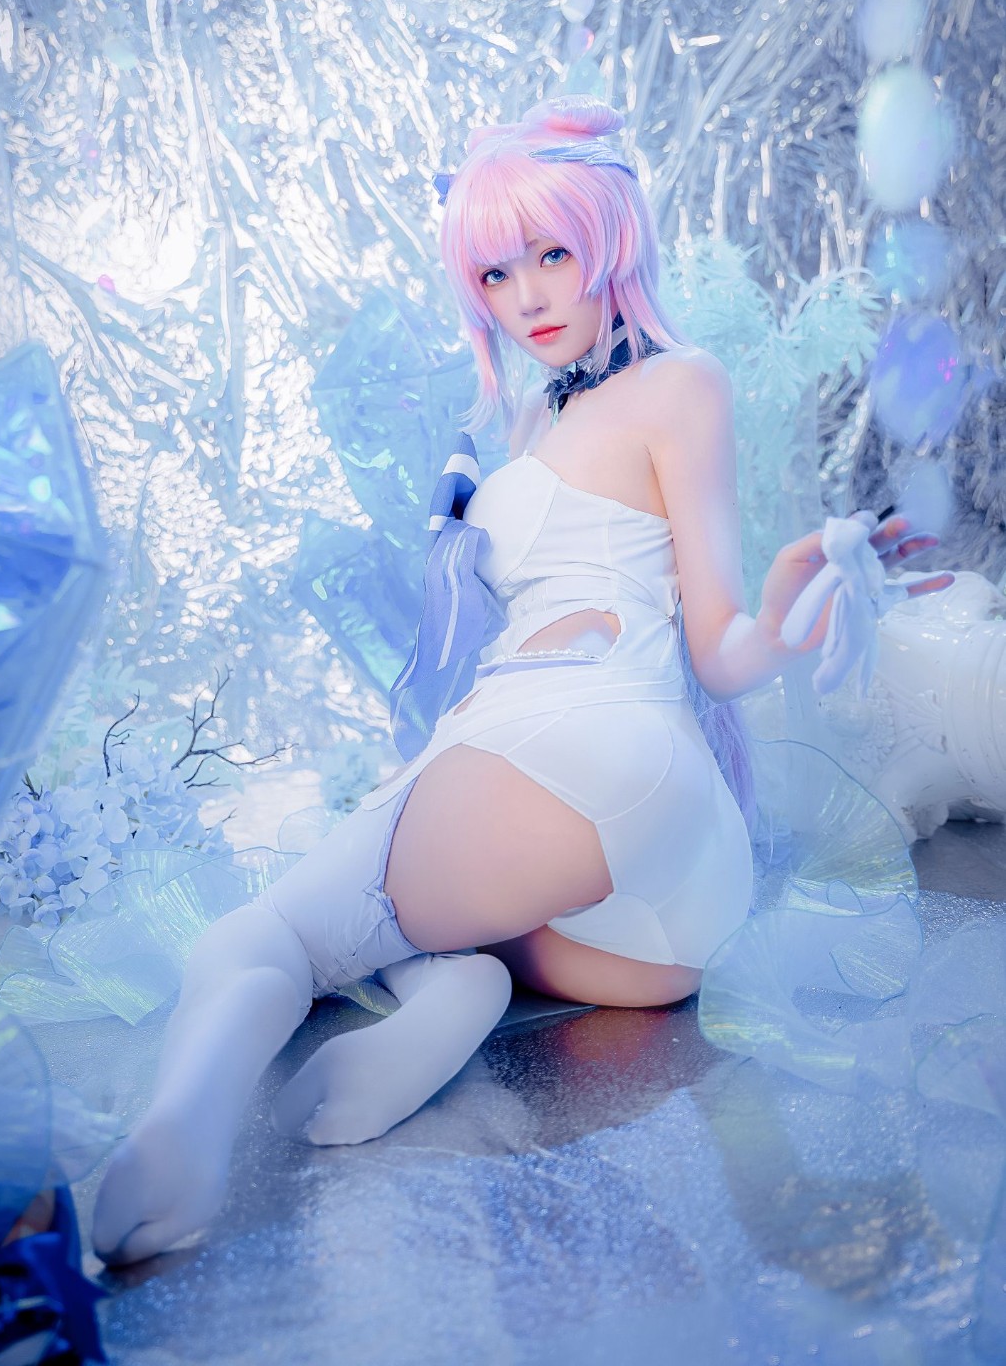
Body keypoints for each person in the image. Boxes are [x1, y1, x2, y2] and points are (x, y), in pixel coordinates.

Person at [91, 96, 952, 1266]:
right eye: (496, 273)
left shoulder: (672, 383)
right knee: (426, 920)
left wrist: (793, 598)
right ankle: (460, 996)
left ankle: (178, 1142)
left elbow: (722, 647)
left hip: (569, 753)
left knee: (268, 935)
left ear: (609, 240)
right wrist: (773, 622)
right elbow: (716, 659)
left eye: (551, 254)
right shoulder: (540, 415)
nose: (528, 295)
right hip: (664, 916)